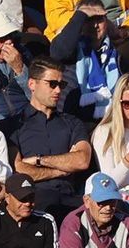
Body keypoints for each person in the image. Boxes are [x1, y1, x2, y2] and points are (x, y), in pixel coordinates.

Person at [7, 57, 93, 219]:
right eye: (52, 84)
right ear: (32, 84)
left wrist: (39, 160)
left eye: (61, 85)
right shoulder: (13, 125)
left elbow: (82, 160)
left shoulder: (72, 123)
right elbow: (19, 170)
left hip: (71, 199)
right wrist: (60, 170)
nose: (58, 90)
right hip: (34, 200)